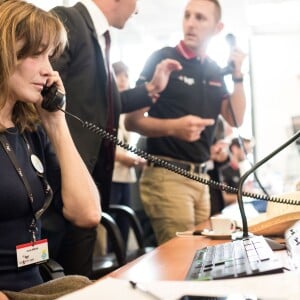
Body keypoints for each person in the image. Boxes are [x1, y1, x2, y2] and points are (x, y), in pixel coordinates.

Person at [44, 0, 182, 277]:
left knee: (77, 278)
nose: (138, 9)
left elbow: (101, 103)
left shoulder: (100, 37)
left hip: (88, 181)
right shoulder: (67, 20)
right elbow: (46, 94)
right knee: (58, 280)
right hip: (63, 180)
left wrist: (150, 89)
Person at [0, 0, 101, 298]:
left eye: (49, 56)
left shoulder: (30, 130)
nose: (48, 70)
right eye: (35, 54)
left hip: (37, 283)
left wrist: (57, 123)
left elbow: (88, 213)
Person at [125, 0, 246, 244]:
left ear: (217, 27)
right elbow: (132, 121)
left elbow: (235, 118)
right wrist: (174, 127)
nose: (190, 24)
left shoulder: (212, 69)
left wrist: (238, 76)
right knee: (182, 258)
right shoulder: (163, 58)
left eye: (200, 18)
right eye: (187, 16)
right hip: (168, 175)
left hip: (202, 180)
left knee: (202, 257)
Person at [109, 61, 146, 250]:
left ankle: (121, 259)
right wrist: (124, 158)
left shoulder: (128, 111)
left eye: (126, 76)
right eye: (119, 75)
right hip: (112, 173)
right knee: (111, 222)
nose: (123, 80)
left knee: (125, 222)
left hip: (126, 174)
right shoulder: (107, 106)